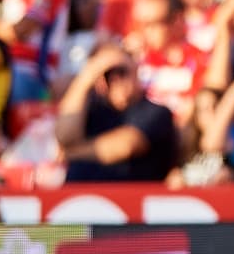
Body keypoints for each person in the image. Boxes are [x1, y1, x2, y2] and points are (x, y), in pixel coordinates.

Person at [55, 44, 177, 182]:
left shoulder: (156, 112)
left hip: (128, 198)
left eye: (122, 72)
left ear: (135, 71)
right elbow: (64, 136)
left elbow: (126, 146)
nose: (117, 79)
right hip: (77, 197)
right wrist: (87, 76)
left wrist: (70, 153)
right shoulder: (90, 111)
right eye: (109, 75)